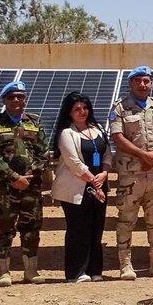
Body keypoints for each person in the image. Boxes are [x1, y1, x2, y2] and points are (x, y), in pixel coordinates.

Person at [0, 80, 50, 286]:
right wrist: (14, 177)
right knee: (3, 228)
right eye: (12, 97)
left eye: (20, 96)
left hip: (31, 186)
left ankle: (31, 271)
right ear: (4, 100)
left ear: (25, 99)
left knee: (31, 227)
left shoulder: (34, 122)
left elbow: (44, 153)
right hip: (5, 187)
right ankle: (3, 272)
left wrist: (28, 176)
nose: (17, 100)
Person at [109, 66, 153, 280]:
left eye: (146, 81)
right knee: (127, 220)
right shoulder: (120, 108)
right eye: (138, 81)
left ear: (151, 83)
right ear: (130, 84)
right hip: (131, 175)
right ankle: (125, 264)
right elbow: (117, 137)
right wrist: (144, 155)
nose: (143, 84)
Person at [51, 93, 110, 283]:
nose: (82, 112)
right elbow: (74, 163)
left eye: (84, 108)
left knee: (96, 228)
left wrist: (105, 173)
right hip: (77, 188)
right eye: (77, 109)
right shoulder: (67, 133)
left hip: (99, 185)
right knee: (78, 230)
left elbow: (107, 154)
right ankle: (76, 272)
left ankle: (95, 270)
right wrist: (94, 181)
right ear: (69, 112)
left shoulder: (98, 129)